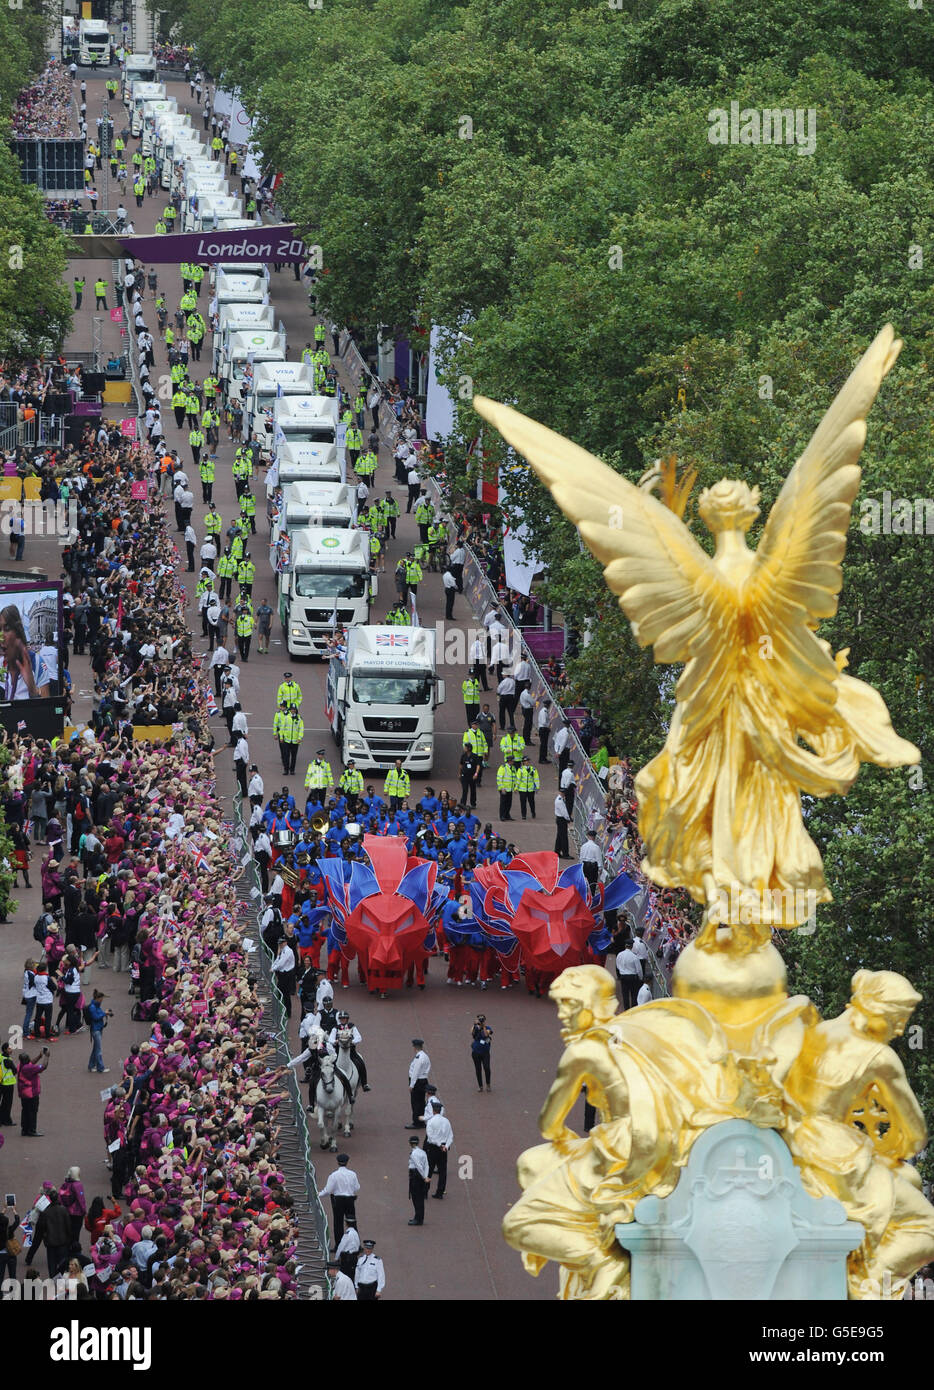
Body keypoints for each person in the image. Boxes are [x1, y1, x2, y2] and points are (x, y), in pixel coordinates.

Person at [317, 1154, 359, 1246]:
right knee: (352, 1221)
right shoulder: (353, 1174)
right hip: (350, 1199)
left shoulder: (334, 1175)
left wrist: (319, 1194)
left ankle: (339, 1245)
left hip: (338, 1200)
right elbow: (357, 1188)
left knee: (338, 1223)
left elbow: (328, 1190)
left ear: (337, 1162)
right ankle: (356, 1245)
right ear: (347, 1162)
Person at [17, 1046, 50, 1136]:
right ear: (26, 1060)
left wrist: (40, 1056)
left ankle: (24, 1130)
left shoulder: (20, 1065)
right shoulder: (28, 1069)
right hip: (31, 1093)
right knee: (32, 1111)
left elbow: (31, 1062)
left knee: (25, 1111)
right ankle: (32, 1130)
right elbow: (43, 1067)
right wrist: (47, 1056)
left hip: (23, 1093)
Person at [425, 1100, 454, 1199]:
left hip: (433, 1148)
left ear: (433, 1111)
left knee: (428, 1170)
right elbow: (450, 1136)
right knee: (442, 1171)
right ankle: (440, 1192)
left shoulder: (431, 1121)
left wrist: (438, 1144)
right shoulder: (446, 1121)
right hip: (444, 1149)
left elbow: (430, 1136)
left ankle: (425, 1191)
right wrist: (445, 1146)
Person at [86, 990, 112, 1073]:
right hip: (96, 1029)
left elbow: (100, 1014)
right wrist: (104, 1013)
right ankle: (100, 1068)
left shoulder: (96, 1005)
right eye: (101, 999)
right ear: (98, 998)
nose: (102, 1000)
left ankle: (91, 1065)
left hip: (98, 1029)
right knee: (98, 1050)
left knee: (95, 1049)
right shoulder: (93, 1007)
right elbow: (96, 1017)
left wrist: (105, 1013)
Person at [406, 1038, 430, 1127]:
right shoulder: (425, 1056)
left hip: (418, 1082)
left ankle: (416, 1122)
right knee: (421, 1102)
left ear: (415, 1048)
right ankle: (421, 1120)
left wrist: (411, 1085)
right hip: (423, 1080)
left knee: (415, 1102)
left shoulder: (419, 1058)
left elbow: (415, 1072)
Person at [408, 1135, 430, 1226]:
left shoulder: (414, 1154)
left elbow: (418, 1166)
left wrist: (424, 1176)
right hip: (421, 1176)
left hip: (415, 1176)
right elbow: (426, 1165)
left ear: (410, 1143)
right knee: (420, 1198)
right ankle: (419, 1217)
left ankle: (418, 1218)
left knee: (416, 1198)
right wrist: (426, 1176)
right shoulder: (422, 1152)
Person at [615, 939, 642, 1010]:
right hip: (632, 977)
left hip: (623, 977)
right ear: (632, 946)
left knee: (625, 995)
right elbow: (639, 970)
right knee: (634, 994)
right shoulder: (634, 957)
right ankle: (633, 1009)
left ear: (625, 946)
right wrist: (640, 978)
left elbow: (617, 966)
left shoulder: (619, 955)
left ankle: (626, 1010)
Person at [471, 1014, 493, 1092]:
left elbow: (486, 1035)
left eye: (482, 1020)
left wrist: (483, 1027)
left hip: (485, 1053)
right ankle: (480, 1086)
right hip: (476, 1052)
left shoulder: (488, 1028)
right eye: (479, 1020)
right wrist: (475, 1025)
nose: (480, 1022)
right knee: (478, 1069)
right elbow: (473, 1034)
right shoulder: (475, 1028)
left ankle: (488, 1084)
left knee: (487, 1068)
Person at [554, 791, 571, 859]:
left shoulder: (559, 799)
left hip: (560, 819)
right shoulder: (560, 801)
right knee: (564, 837)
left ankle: (557, 851)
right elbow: (564, 811)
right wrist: (568, 818)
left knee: (559, 836)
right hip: (562, 819)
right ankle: (565, 853)